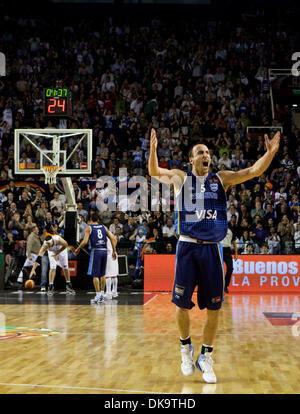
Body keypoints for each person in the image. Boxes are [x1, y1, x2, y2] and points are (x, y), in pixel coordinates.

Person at [148, 128, 280, 384]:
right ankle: (185, 348)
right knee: (181, 305)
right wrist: (153, 152)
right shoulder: (180, 179)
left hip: (212, 249)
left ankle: (205, 356)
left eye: (207, 152)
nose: (206, 155)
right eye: (200, 153)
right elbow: (154, 172)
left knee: (215, 308)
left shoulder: (221, 179)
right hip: (187, 247)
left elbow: (253, 171)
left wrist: (270, 154)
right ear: (191, 159)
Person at [74, 213, 117, 304]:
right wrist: (114, 251)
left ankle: (98, 296)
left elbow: (85, 241)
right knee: (102, 274)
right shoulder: (104, 227)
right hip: (104, 251)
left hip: (96, 251)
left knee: (95, 275)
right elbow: (113, 238)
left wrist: (78, 248)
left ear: (90, 220)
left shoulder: (89, 228)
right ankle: (102, 294)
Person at [29, 229, 75, 296]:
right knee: (52, 267)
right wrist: (33, 269)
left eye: (49, 244)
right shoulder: (45, 245)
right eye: (47, 244)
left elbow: (66, 245)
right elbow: (39, 257)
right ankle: (50, 286)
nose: (48, 245)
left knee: (65, 266)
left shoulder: (58, 239)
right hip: (52, 252)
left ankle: (68, 285)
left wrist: (58, 253)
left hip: (61, 250)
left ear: (52, 241)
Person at [221, 227, 238, 294]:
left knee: (230, 269)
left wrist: (236, 254)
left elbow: (234, 243)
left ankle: (225, 286)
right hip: (219, 249)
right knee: (217, 270)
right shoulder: (218, 229)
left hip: (228, 250)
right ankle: (217, 286)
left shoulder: (230, 231)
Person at [104, 235, 119, 300]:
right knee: (114, 275)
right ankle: (114, 292)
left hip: (109, 255)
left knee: (108, 275)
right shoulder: (113, 237)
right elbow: (115, 242)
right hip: (114, 254)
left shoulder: (105, 238)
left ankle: (108, 293)